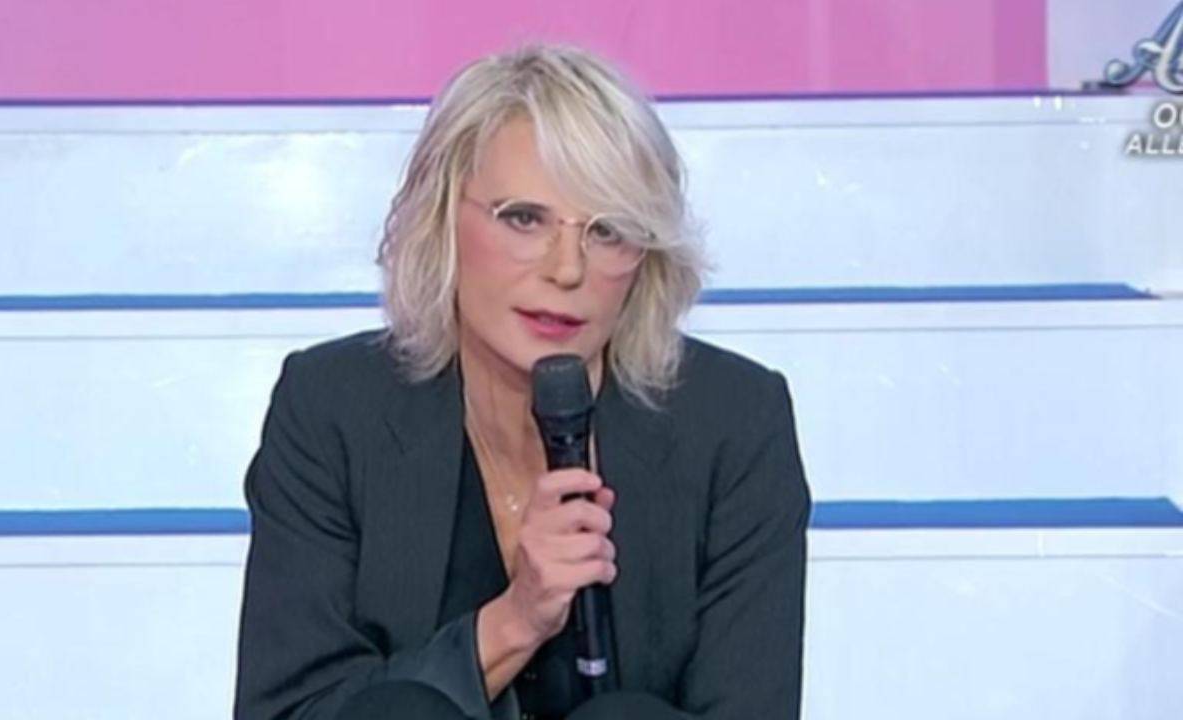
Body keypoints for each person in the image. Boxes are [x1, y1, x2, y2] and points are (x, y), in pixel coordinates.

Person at [233, 43, 811, 720]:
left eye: (608, 230)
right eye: (524, 218)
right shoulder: (334, 407)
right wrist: (514, 621)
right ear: (441, 219)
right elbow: (291, 709)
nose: (567, 269)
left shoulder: (736, 422)